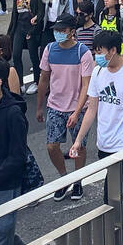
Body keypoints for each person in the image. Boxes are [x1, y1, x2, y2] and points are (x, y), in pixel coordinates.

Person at [70, 31, 123, 200]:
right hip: (104, 141)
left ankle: (116, 225)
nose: (97, 56)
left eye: (100, 52)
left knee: (111, 195)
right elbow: (92, 108)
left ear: (113, 50)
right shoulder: (97, 72)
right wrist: (78, 140)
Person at [36, 14, 92, 202]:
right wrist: (39, 107)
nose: (58, 33)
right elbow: (44, 79)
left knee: (79, 147)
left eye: (62, 30)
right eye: (56, 30)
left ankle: (77, 181)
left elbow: (86, 84)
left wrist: (77, 111)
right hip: (55, 105)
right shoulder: (50, 49)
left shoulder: (82, 52)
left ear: (72, 31)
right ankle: (64, 178)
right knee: (52, 146)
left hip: (79, 107)